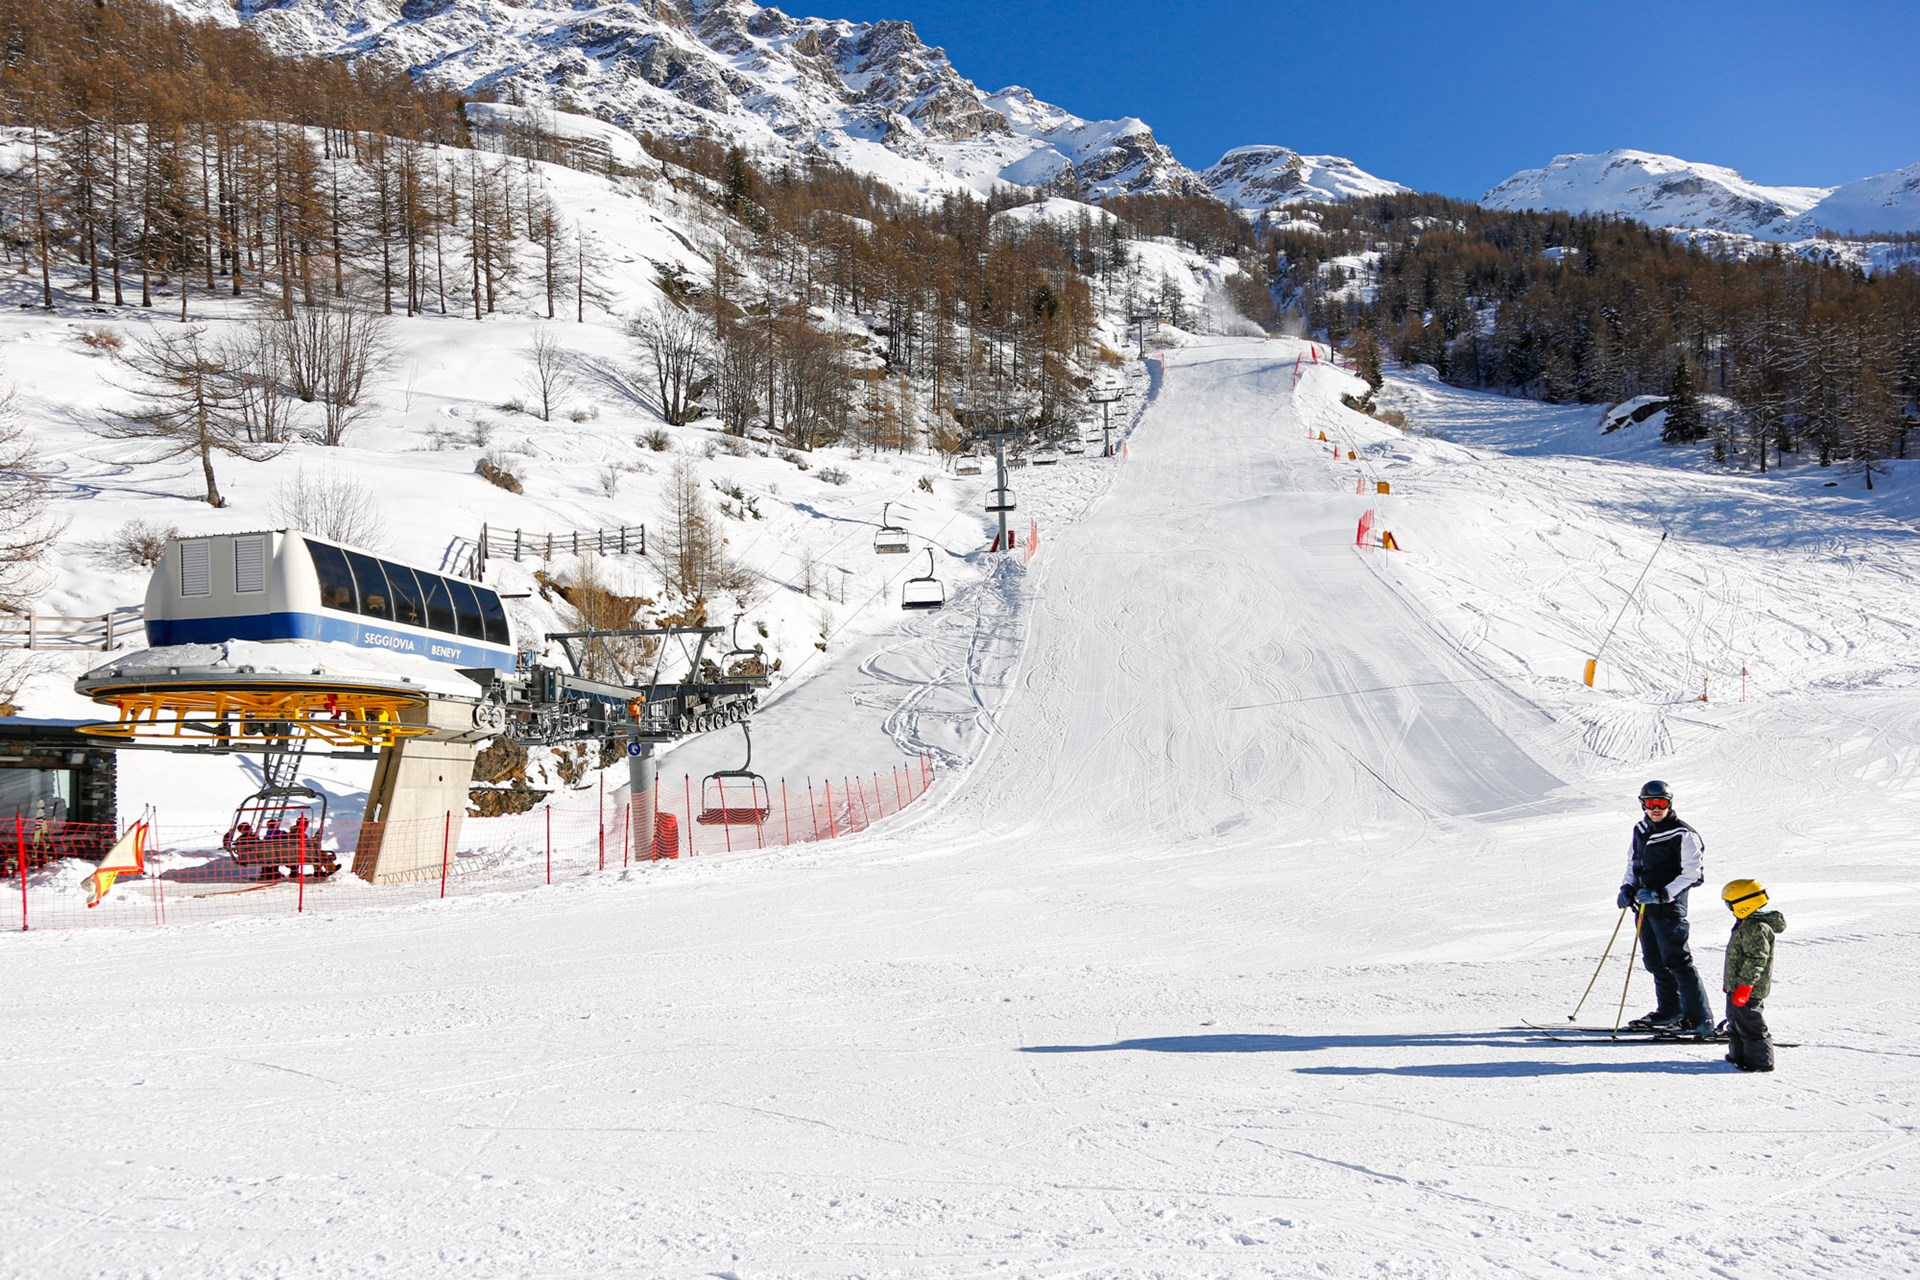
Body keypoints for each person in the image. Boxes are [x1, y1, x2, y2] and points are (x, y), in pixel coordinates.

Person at [1615, 780, 1715, 1037]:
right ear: (1643, 805)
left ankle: (1699, 1019)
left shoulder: (1683, 834)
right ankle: (1670, 1010)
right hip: (1643, 907)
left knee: (1678, 962)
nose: (1656, 808)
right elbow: (1633, 864)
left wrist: (1662, 894)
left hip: (1670, 908)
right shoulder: (1640, 829)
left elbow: (1693, 874)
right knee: (1654, 961)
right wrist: (1627, 887)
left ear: (1669, 804)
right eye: (1650, 803)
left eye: (1660, 803)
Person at [1721, 879, 1784, 1073]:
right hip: (1737, 984)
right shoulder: (1746, 924)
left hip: (1749, 988)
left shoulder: (1755, 928)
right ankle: (1738, 1055)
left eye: (1730, 904)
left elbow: (1756, 958)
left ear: (1743, 904)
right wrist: (1731, 983)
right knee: (1735, 1020)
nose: (1729, 908)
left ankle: (1760, 1061)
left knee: (1750, 1023)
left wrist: (1746, 985)